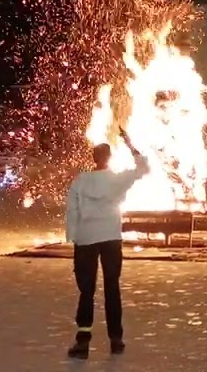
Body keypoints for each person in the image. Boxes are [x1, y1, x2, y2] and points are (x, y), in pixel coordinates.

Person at [65, 129, 151, 359]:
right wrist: (130, 144)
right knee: (112, 288)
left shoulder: (81, 181)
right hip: (111, 237)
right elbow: (144, 169)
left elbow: (72, 211)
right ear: (109, 158)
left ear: (93, 158)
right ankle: (116, 339)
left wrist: (72, 236)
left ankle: (83, 342)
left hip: (85, 238)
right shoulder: (117, 179)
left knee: (86, 291)